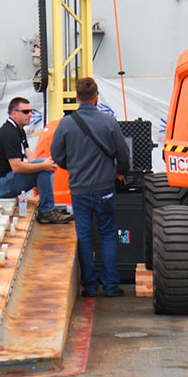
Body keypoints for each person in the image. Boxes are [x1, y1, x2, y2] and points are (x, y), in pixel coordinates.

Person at [51, 77, 131, 298]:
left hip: (79, 190)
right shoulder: (109, 122)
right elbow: (123, 155)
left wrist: (73, 167)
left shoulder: (66, 124)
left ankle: (90, 287)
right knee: (108, 235)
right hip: (105, 189)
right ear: (96, 98)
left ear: (77, 98)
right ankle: (111, 286)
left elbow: (57, 155)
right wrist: (120, 172)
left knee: (84, 237)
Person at [0, 97, 70, 224]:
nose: (30, 114)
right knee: (43, 167)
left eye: (31, 111)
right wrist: (43, 166)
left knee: (44, 165)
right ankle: (47, 211)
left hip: (7, 180)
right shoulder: (9, 133)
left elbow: (31, 158)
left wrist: (46, 164)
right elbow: (17, 167)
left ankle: (47, 207)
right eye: (26, 112)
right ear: (14, 114)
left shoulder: (19, 131)